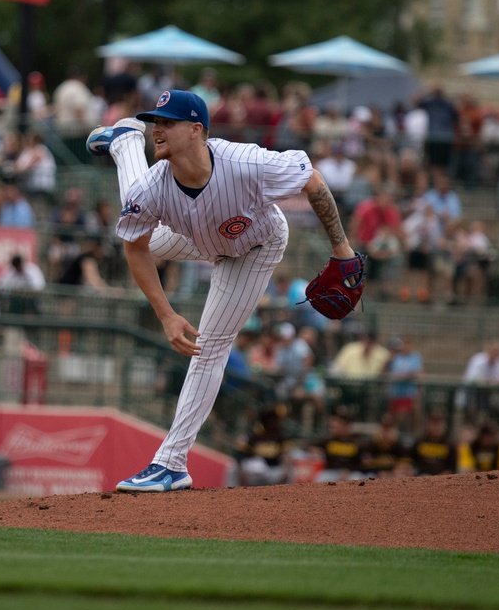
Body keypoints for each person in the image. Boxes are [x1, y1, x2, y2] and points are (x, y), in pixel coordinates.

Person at [88, 90, 364, 491]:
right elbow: (134, 248)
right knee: (134, 213)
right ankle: (125, 142)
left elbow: (313, 180)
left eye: (167, 122)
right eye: (154, 123)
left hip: (255, 246)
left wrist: (342, 248)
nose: (158, 129)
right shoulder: (153, 187)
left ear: (196, 130)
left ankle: (171, 463)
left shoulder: (245, 162)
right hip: (194, 238)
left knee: (210, 348)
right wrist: (165, 314)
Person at [312, 412, 364, 482]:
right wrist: (315, 450)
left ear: (346, 426)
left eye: (336, 427)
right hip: (331, 472)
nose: (333, 429)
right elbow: (308, 446)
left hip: (351, 472)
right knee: (320, 479)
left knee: (359, 479)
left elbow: (361, 462)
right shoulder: (328, 440)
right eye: (332, 427)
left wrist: (348, 471)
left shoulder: (357, 442)